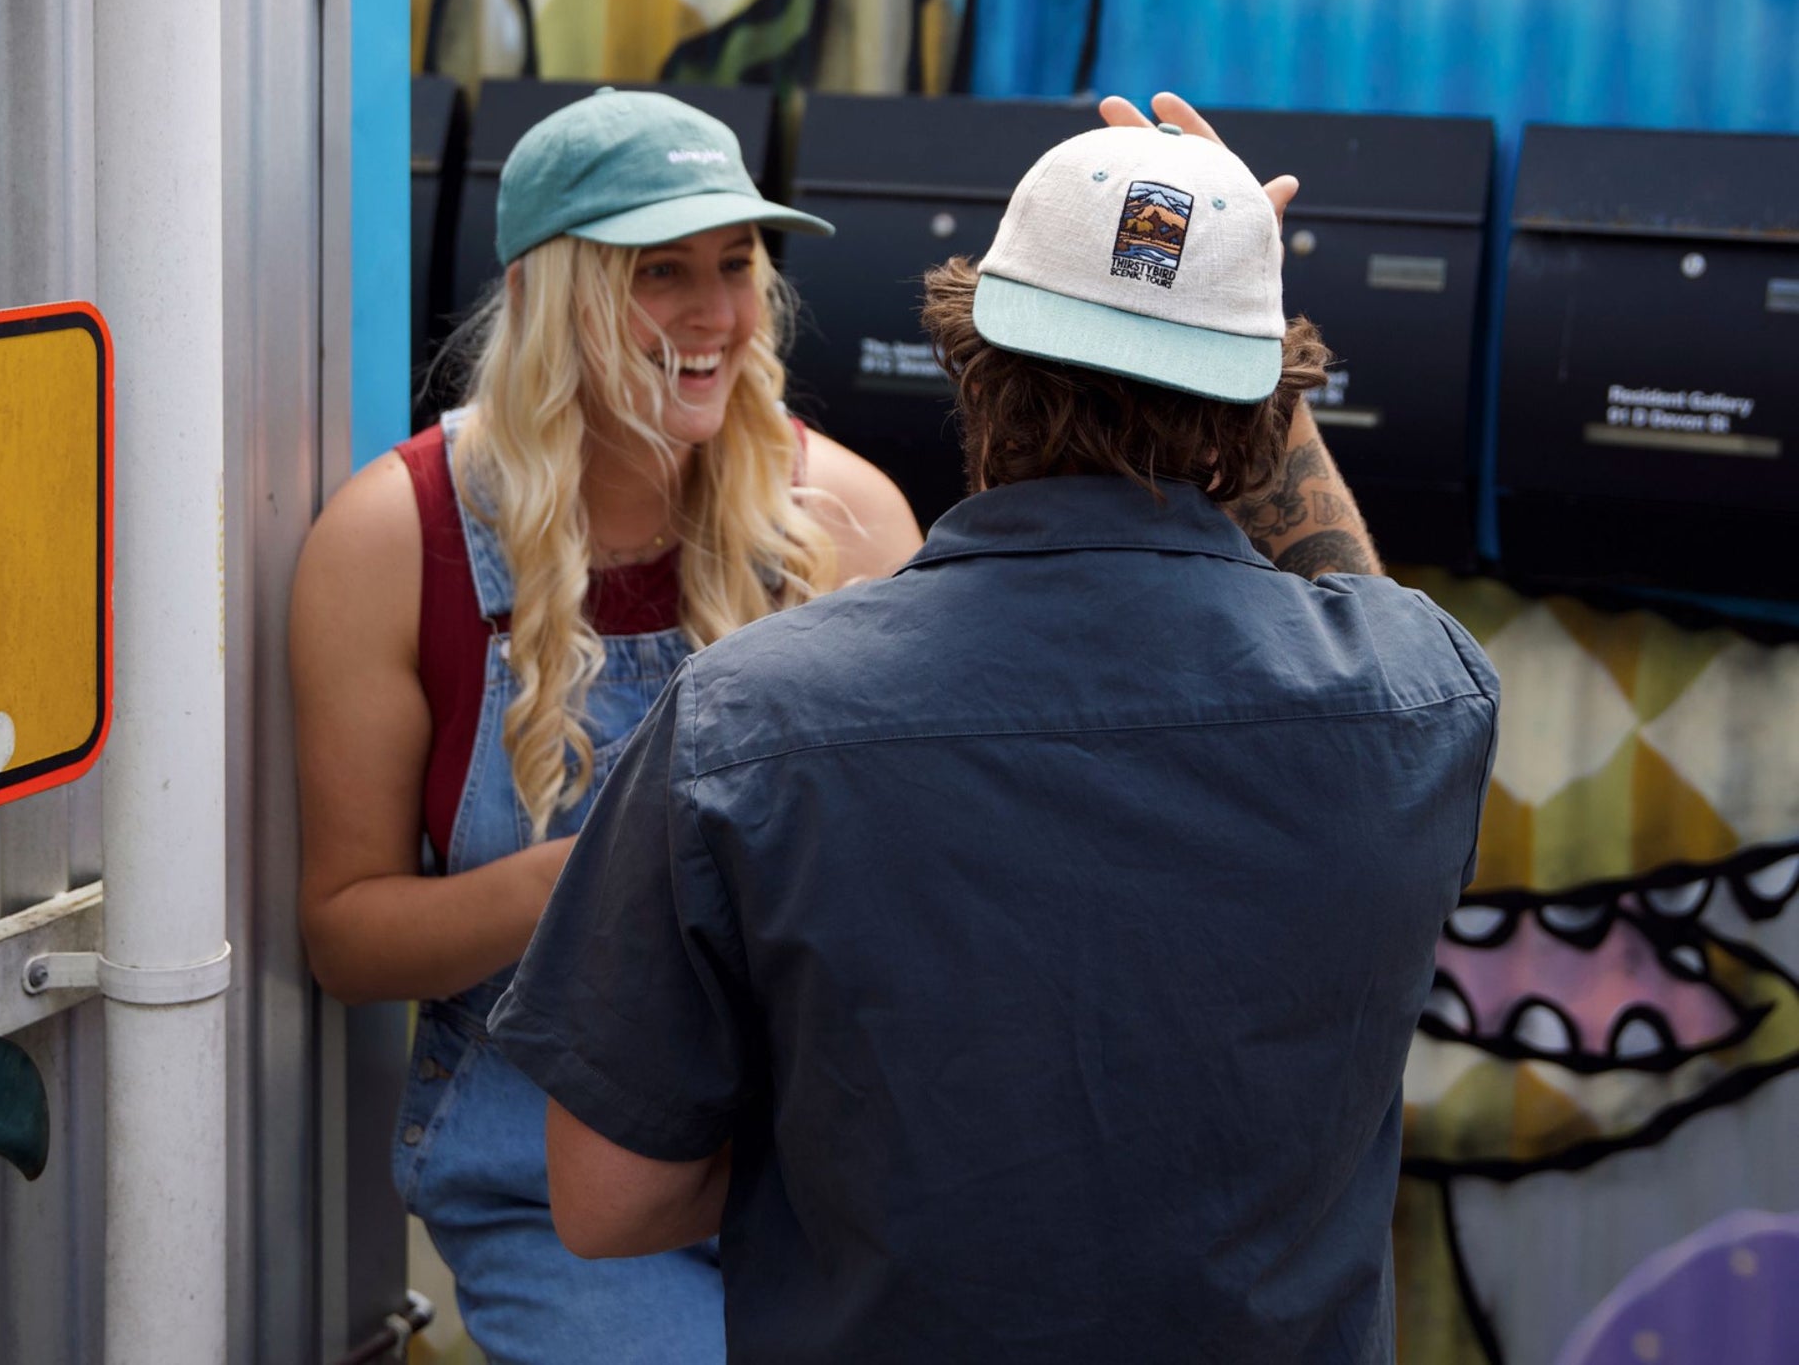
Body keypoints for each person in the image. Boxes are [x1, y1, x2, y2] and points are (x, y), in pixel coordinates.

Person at [486, 92, 1502, 1363]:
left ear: (971, 363)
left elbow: (604, 1200)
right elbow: (1360, 610)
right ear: (1264, 403)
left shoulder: (746, 717)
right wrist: (1227, 303)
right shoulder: (1419, 701)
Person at [289, 88, 922, 1364]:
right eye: (658, 271)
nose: (715, 313)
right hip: (543, 1190)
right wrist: (593, 878)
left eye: (734, 263)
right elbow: (346, 936)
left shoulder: (847, 523)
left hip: (815, 1170)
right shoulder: (393, 537)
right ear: (543, 293)